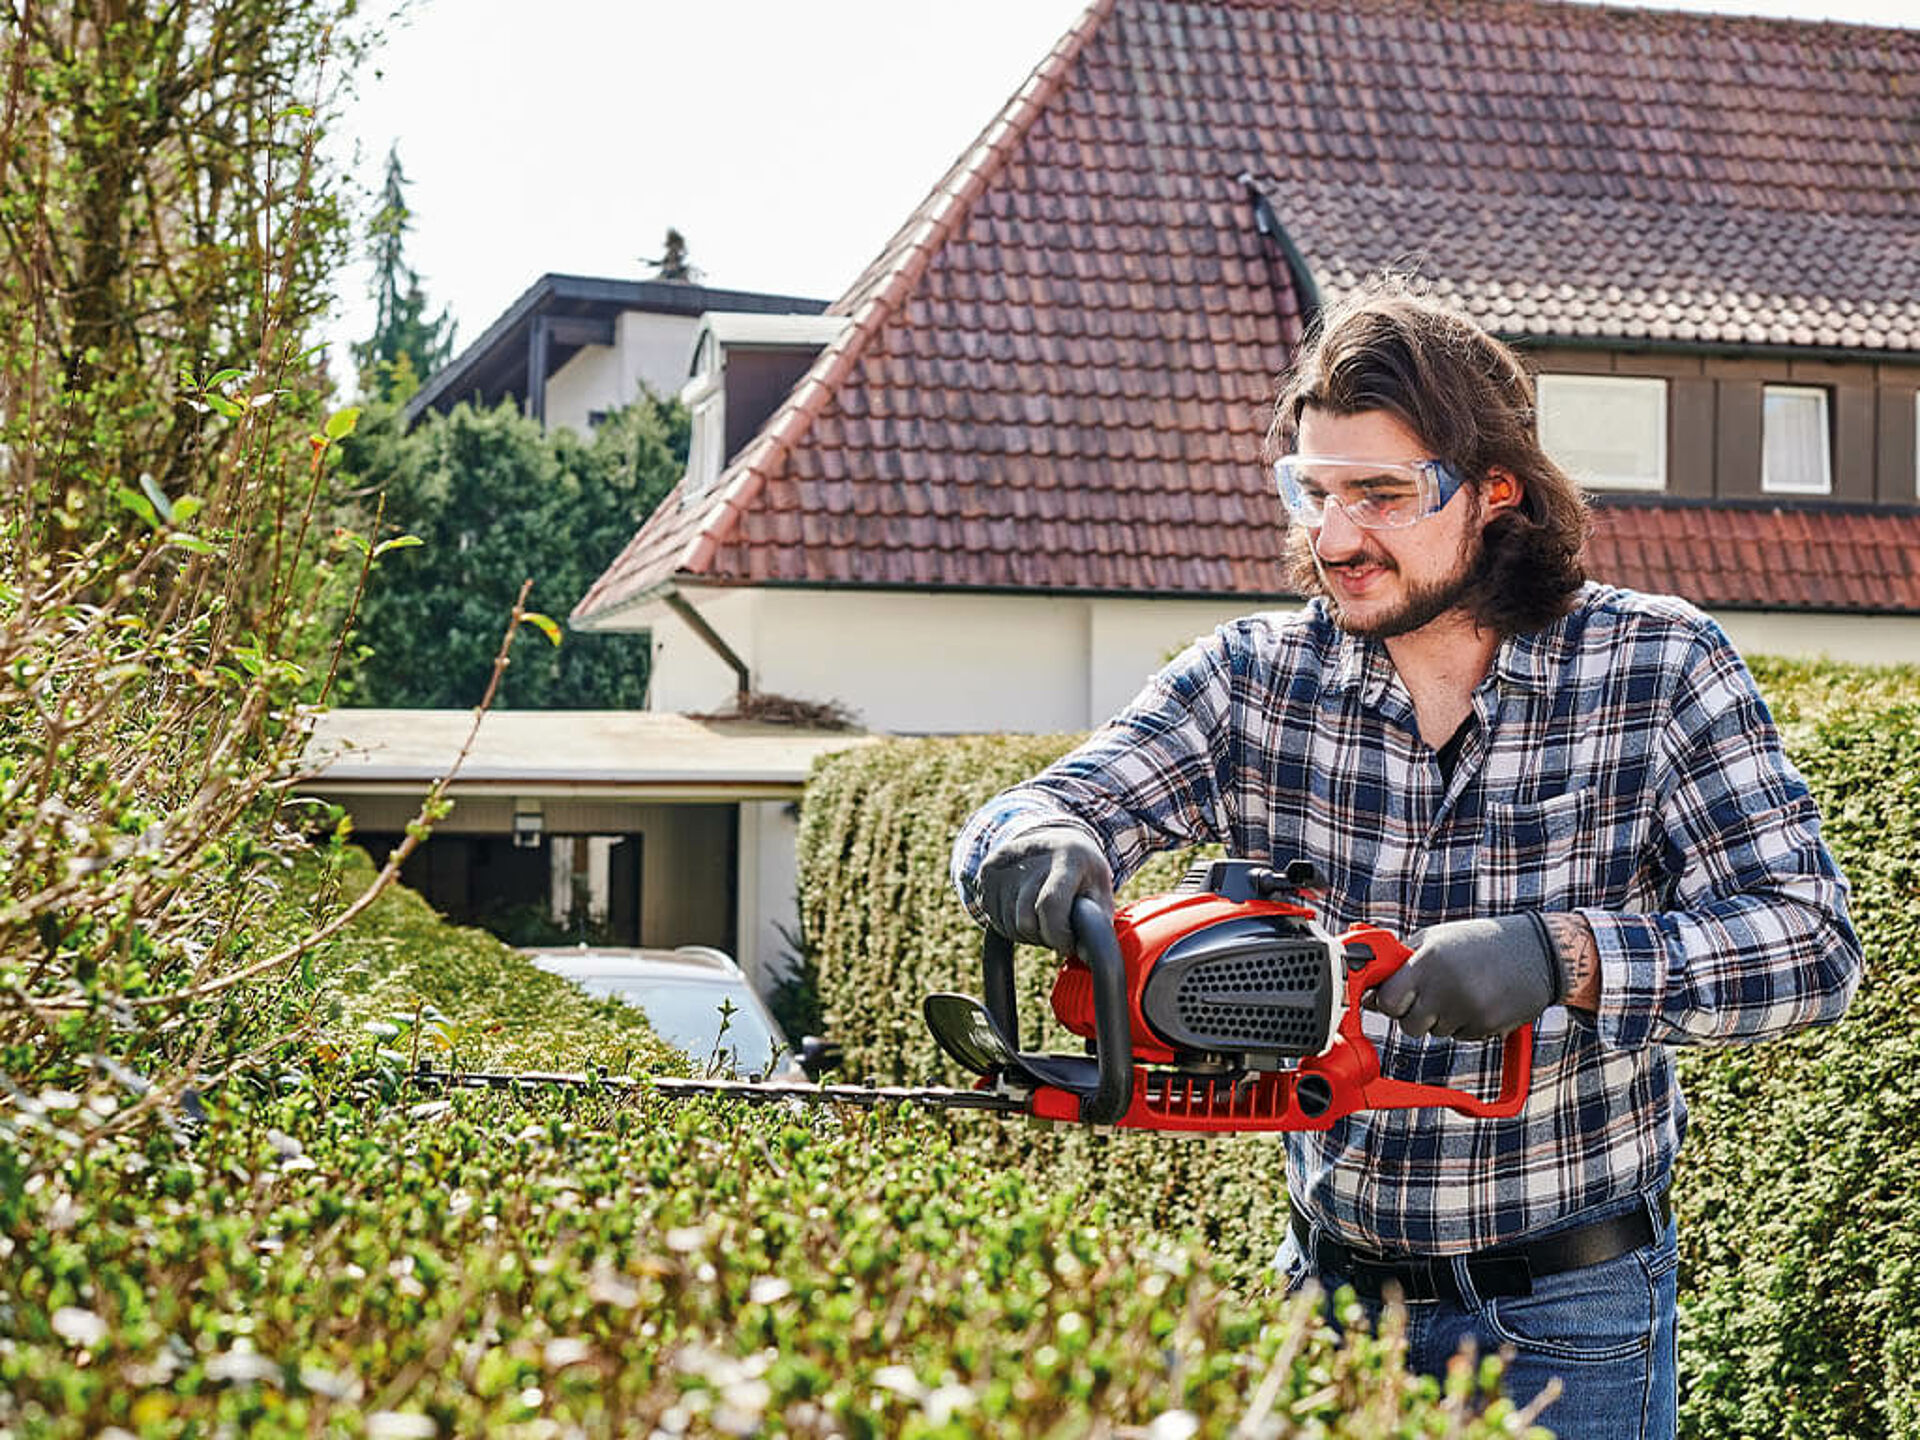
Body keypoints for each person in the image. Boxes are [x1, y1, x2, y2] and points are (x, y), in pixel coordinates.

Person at [949, 284, 1862, 1439]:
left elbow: (1812, 947)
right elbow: (1048, 804)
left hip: (1568, 1315)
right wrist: (1036, 844)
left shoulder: (1659, 666)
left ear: (1495, 492)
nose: (1335, 538)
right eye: (1314, 492)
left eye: (1381, 494)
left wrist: (1565, 956)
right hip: (1323, 1299)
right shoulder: (1255, 679)